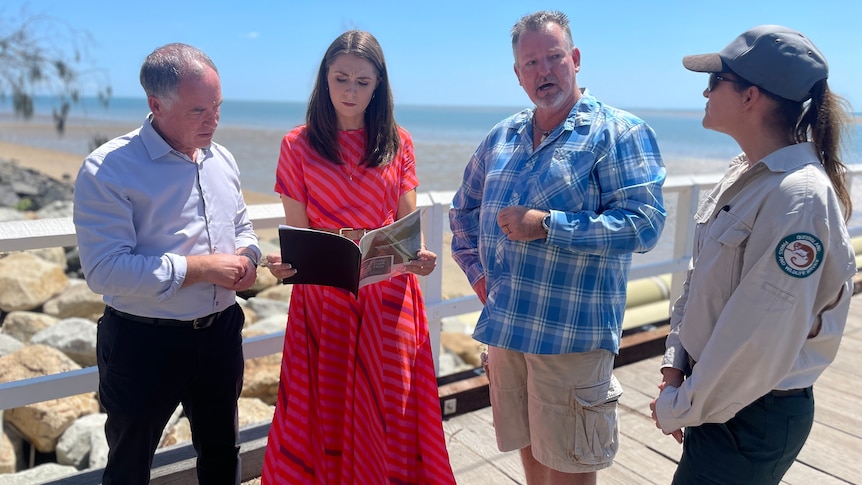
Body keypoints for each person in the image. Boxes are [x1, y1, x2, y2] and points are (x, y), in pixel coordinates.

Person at [449, 10, 666, 485]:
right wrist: (482, 280)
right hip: (507, 334)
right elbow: (461, 214)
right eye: (531, 63)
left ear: (576, 59)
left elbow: (645, 224)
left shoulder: (619, 132)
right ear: (517, 74)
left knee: (569, 466)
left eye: (554, 57)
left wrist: (549, 225)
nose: (544, 71)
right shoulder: (501, 136)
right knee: (529, 456)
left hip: (572, 337)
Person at [649, 25, 856, 484]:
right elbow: (702, 283)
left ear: (751, 97)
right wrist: (675, 366)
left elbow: (758, 338)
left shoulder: (798, 197)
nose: (705, 91)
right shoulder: (747, 175)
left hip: (750, 412)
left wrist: (681, 406)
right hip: (718, 397)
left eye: (716, 81)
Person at [260, 30, 455, 484]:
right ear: (324, 80)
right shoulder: (297, 144)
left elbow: (407, 224)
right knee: (322, 412)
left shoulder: (398, 141)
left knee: (395, 409)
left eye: (363, 82)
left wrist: (420, 256)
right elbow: (298, 231)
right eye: (340, 78)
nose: (350, 91)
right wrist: (283, 261)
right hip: (325, 299)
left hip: (389, 297)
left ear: (379, 85)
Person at [73, 43, 261, 484]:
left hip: (220, 333)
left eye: (217, 106)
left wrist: (249, 258)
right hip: (143, 342)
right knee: (129, 465)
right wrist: (201, 268)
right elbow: (104, 270)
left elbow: (242, 226)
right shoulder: (108, 169)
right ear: (155, 105)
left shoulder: (222, 157)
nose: (213, 120)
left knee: (221, 453)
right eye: (199, 110)